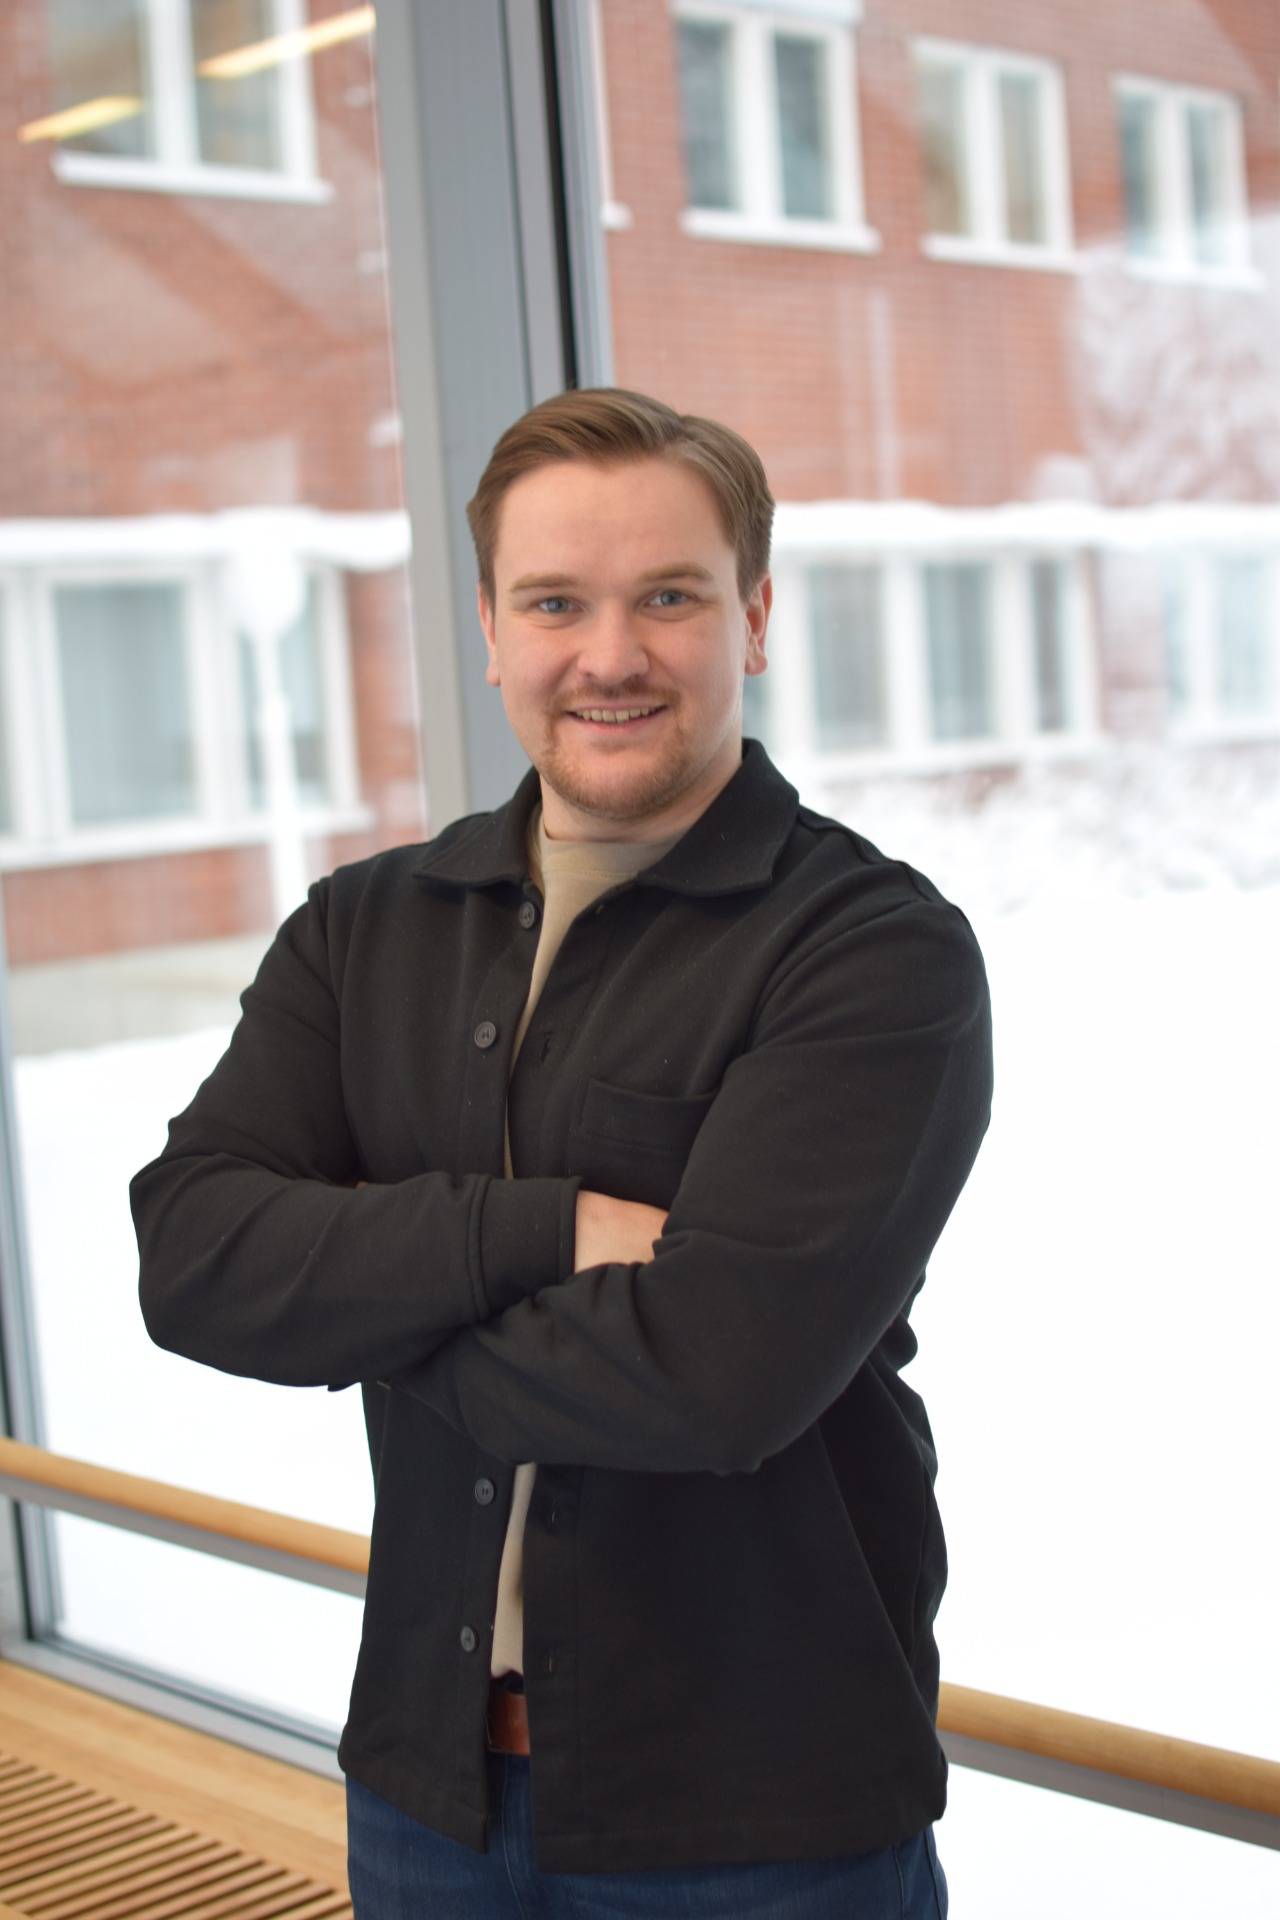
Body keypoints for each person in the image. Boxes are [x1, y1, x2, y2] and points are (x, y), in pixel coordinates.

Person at [133, 388, 993, 1918]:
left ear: (753, 619)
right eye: (555, 603)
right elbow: (194, 1259)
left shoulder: (870, 952)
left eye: (669, 597)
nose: (609, 656)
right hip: (429, 1795)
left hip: (761, 1824)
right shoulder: (361, 931)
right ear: (490, 628)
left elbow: (721, 1375)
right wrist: (545, 1233)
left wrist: (367, 1300)